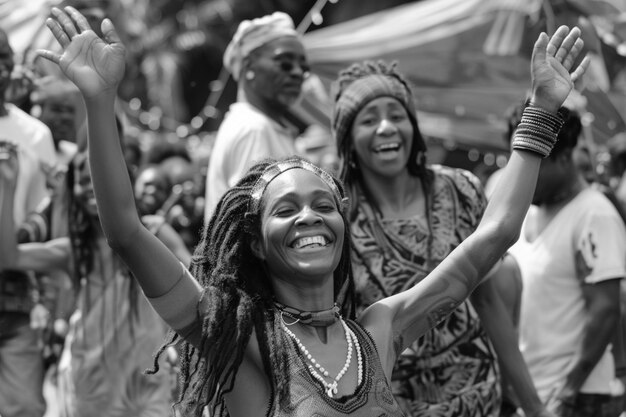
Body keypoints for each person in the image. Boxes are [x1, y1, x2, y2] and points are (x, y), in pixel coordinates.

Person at [37, 6, 588, 417]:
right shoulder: (236, 335)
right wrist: (99, 103)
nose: (309, 217)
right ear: (254, 241)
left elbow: (495, 234)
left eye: (325, 205)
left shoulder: (380, 329)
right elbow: (128, 234)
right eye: (286, 210)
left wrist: (540, 112)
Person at [331, 60, 551, 416]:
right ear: (348, 139)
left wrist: (533, 405)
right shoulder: (338, 217)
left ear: (413, 127)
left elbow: (491, 304)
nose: (386, 128)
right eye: (368, 120)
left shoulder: (459, 189)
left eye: (397, 115)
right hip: (397, 406)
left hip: (480, 397)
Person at [0, 147, 191, 414]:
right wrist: (7, 186)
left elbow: (194, 283)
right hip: (90, 383)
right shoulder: (74, 251)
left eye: (98, 177)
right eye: (83, 180)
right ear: (73, 190)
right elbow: (10, 257)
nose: (92, 186)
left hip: (146, 380)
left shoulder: (155, 233)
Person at [507, 103, 626, 416]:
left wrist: (569, 390)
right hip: (536, 396)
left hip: (577, 399)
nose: (522, 171)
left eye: (534, 162)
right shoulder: (528, 213)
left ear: (563, 158)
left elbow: (606, 310)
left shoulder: (594, 214)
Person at [204, 11, 309, 220]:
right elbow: (249, 224)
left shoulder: (266, 126)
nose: (298, 72)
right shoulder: (253, 129)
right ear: (249, 66)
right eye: (285, 63)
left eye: (303, 67)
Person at [0, 27, 56, 417]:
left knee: (23, 406)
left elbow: (47, 216)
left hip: (16, 290)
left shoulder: (35, 135)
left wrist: (52, 303)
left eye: (4, 56)